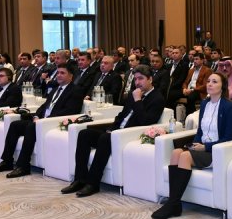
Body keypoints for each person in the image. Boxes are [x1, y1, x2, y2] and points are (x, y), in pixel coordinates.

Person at [62, 65, 166, 197]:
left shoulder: (157, 98)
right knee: (84, 134)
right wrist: (111, 129)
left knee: (105, 139)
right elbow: (121, 116)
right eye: (135, 79)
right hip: (116, 132)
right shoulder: (133, 94)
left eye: (141, 79)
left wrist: (138, 101)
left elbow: (145, 121)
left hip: (129, 136)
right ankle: (79, 179)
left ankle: (93, 183)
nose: (137, 82)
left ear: (150, 79)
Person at [151, 72, 232, 219]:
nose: (210, 84)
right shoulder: (205, 103)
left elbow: (230, 136)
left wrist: (206, 147)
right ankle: (174, 202)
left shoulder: (228, 106)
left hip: (217, 151)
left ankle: (172, 203)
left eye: (214, 81)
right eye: (208, 81)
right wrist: (194, 144)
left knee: (185, 156)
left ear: (222, 86)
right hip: (202, 147)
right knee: (176, 152)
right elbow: (200, 131)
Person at [0, 60, 85, 178]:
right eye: (58, 73)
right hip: (41, 121)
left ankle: (23, 166)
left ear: (71, 76)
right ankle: (7, 161)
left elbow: (70, 111)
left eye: (62, 73)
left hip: (53, 122)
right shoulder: (56, 89)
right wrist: (36, 116)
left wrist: (44, 120)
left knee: (31, 127)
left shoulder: (76, 91)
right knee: (15, 125)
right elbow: (44, 106)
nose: (59, 75)